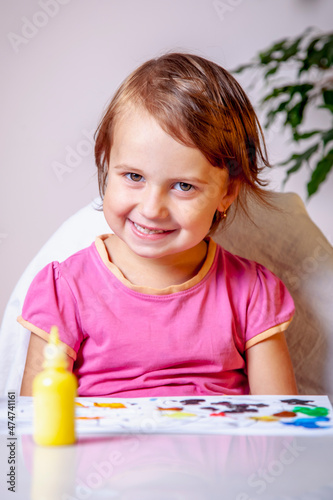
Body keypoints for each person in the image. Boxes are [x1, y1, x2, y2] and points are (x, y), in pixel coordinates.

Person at [19, 53, 297, 397]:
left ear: (226, 193)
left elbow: (282, 422)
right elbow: (30, 423)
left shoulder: (250, 292)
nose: (151, 209)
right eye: (134, 176)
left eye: (183, 186)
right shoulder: (65, 291)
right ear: (106, 164)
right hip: (100, 451)